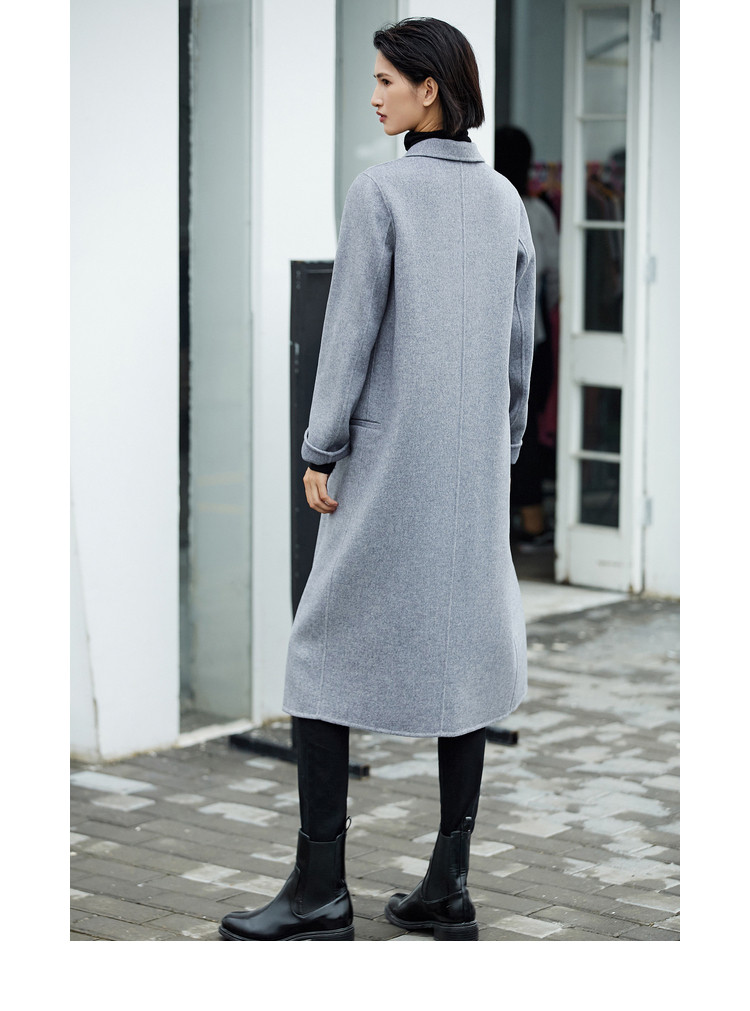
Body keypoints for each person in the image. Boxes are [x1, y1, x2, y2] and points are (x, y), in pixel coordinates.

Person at [219, 16, 535, 943]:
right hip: (472, 473)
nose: (374, 96)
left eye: (386, 81)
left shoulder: (381, 192)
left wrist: (320, 448)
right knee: (466, 654)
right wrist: (501, 450)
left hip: (388, 468)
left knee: (317, 651)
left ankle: (321, 887)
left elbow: (347, 334)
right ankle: (448, 883)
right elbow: (520, 349)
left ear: (429, 90)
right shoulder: (506, 202)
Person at [495, 125, 559, 550]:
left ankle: (499, 526)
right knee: (526, 428)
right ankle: (533, 522)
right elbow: (554, 278)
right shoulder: (536, 212)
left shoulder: (489, 203)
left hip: (487, 340)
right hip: (532, 336)